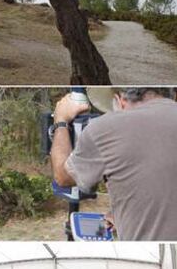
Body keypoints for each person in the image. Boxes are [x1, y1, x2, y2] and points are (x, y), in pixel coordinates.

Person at [50, 87, 177, 241]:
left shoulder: (105, 128)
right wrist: (127, 216)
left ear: (120, 100)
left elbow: (63, 177)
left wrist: (61, 122)